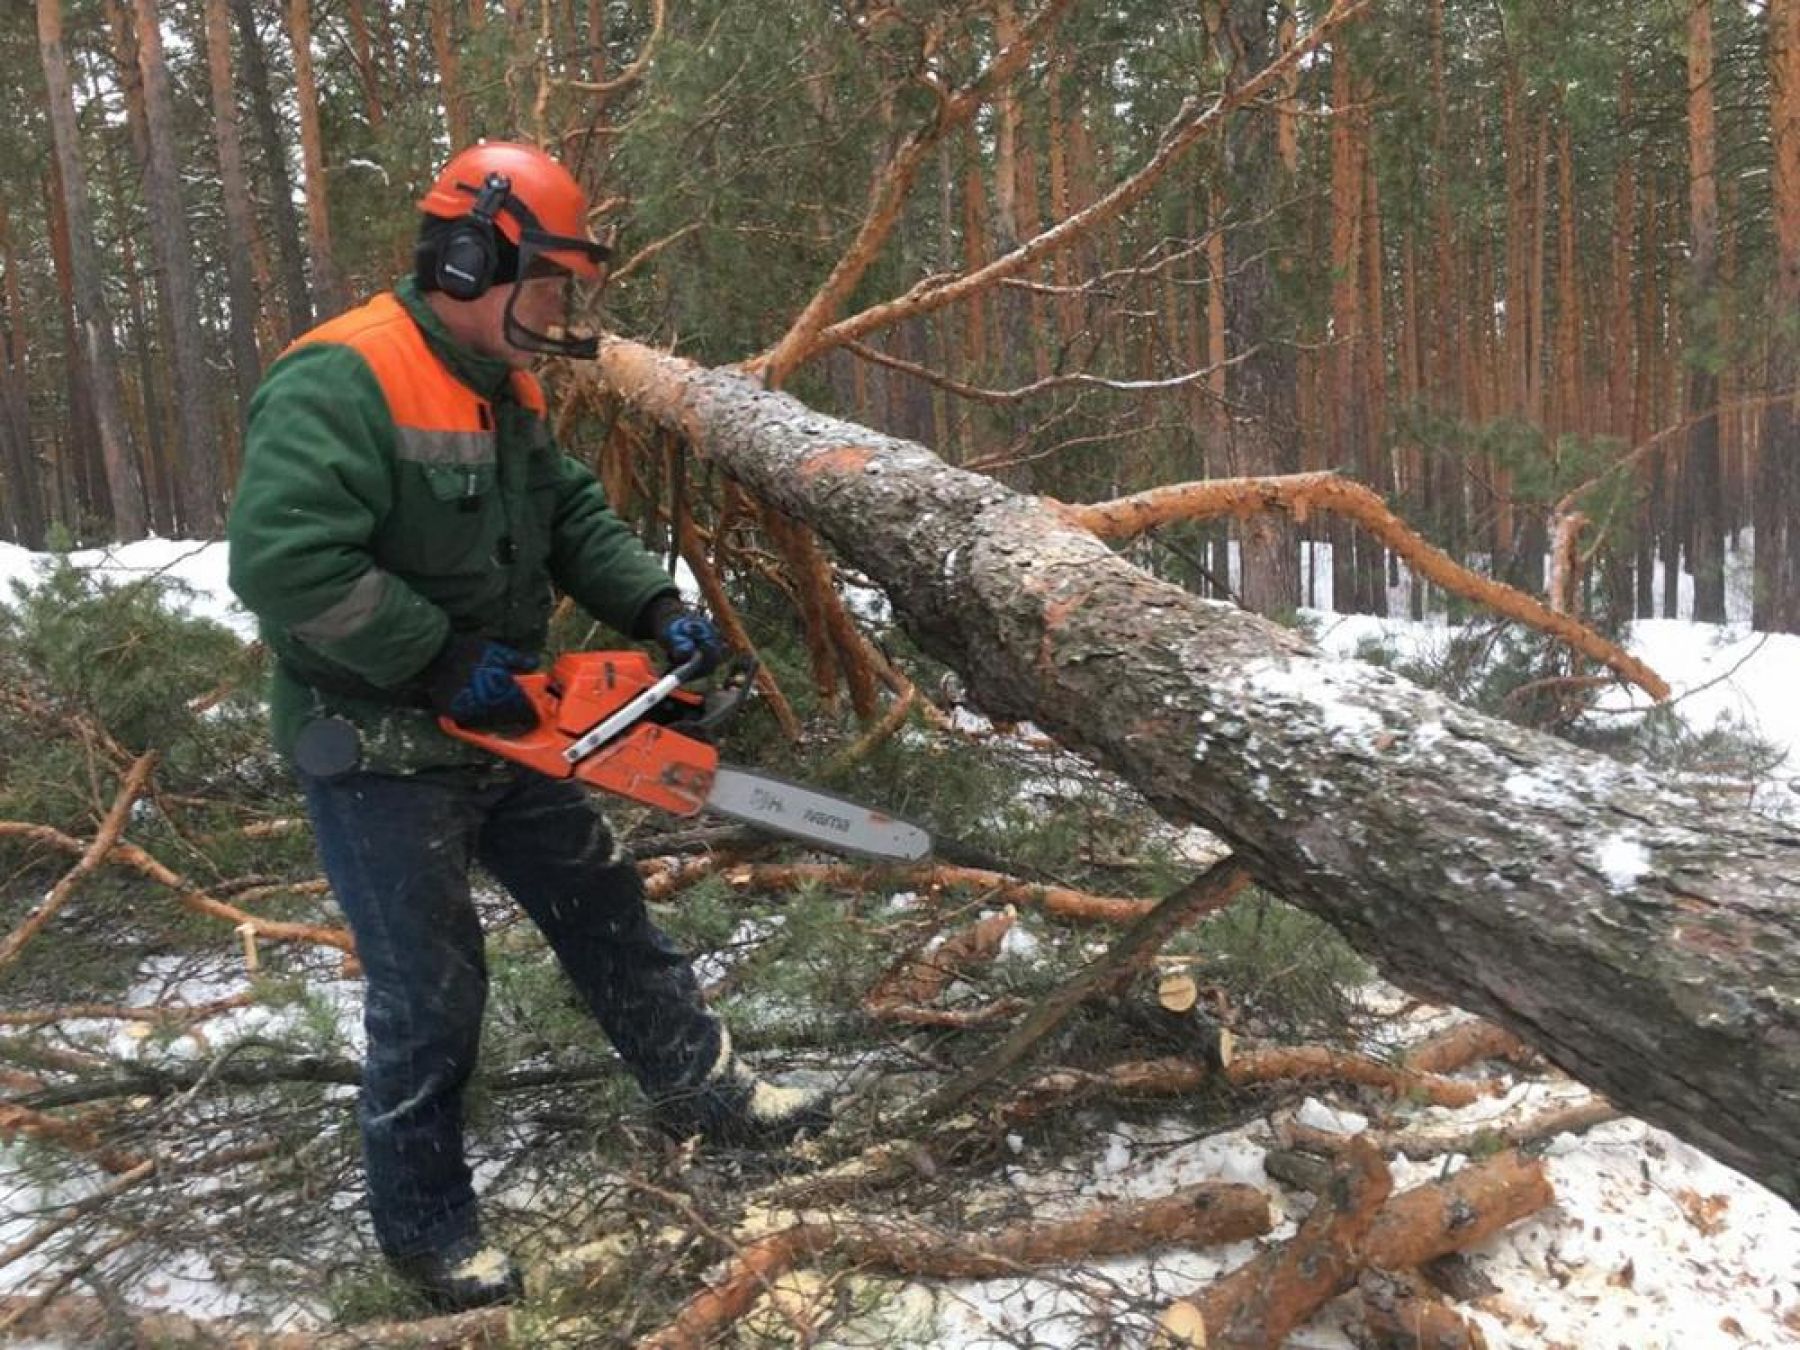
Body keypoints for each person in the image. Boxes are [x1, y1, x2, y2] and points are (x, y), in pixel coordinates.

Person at [226, 141, 828, 1313]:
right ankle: (426, 1223)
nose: (557, 310)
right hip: (375, 745)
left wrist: (656, 605)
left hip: (503, 722)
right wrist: (440, 658)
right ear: (467, 259)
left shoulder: (510, 383)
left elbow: (568, 517)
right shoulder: (343, 377)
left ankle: (701, 1087)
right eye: (544, 283)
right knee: (431, 984)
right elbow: (286, 565)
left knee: (602, 901)